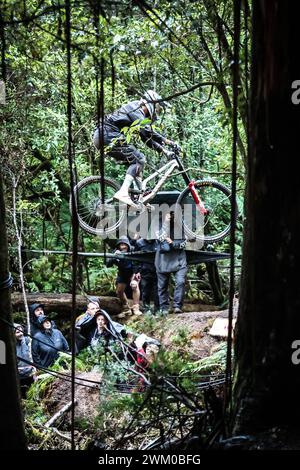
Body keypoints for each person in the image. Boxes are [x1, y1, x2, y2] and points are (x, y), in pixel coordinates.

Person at [93, 89, 177, 207]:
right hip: (107, 135)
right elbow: (146, 130)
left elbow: (145, 137)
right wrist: (167, 141)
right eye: (157, 108)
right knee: (139, 159)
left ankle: (138, 197)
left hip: (103, 137)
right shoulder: (136, 108)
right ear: (151, 104)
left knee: (138, 161)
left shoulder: (137, 112)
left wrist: (164, 150)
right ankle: (123, 193)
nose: (157, 112)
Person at [155, 212, 187, 315]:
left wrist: (172, 243)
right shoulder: (158, 223)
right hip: (162, 260)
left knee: (180, 281)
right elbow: (159, 238)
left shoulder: (183, 225)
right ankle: (164, 307)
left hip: (179, 259)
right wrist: (166, 222)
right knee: (162, 285)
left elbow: (184, 243)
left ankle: (177, 306)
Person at [107, 236, 142, 317]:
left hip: (133, 272)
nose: (123, 246)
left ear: (128, 245)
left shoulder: (133, 249)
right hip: (122, 273)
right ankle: (126, 308)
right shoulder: (116, 251)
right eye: (121, 245)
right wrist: (114, 257)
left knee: (134, 285)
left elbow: (138, 262)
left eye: (125, 244)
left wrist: (136, 273)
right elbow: (108, 264)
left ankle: (136, 308)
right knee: (119, 291)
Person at [134, 237, 159, 314]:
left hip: (157, 270)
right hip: (144, 270)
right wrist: (137, 271)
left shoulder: (158, 242)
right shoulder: (139, 243)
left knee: (157, 291)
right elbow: (135, 257)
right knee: (145, 290)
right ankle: (146, 308)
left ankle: (157, 309)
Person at [14, 323, 36, 397]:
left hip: (30, 374)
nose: (20, 334)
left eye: (21, 331)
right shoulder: (11, 345)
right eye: (17, 332)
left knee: (32, 394)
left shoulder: (28, 341)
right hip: (18, 377)